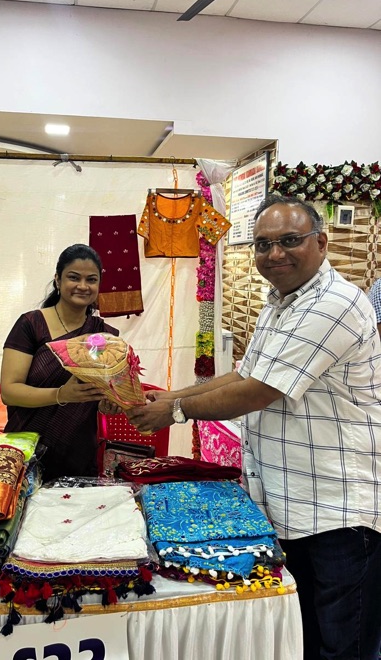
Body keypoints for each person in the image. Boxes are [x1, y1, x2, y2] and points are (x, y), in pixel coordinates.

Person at [128, 194, 381, 660]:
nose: (275, 254)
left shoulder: (333, 304)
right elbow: (245, 373)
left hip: (338, 510)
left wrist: (176, 412)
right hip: (292, 503)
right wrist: (172, 395)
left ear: (322, 243)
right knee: (305, 636)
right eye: (263, 245)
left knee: (345, 645)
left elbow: (259, 391)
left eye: (290, 240)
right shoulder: (281, 302)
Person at [0, 243, 118, 482]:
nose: (83, 286)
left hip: (78, 455)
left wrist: (109, 403)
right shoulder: (31, 325)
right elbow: (9, 392)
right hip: (26, 453)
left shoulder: (103, 335)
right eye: (74, 277)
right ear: (57, 279)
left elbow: (99, 392)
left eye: (91, 280)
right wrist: (61, 394)